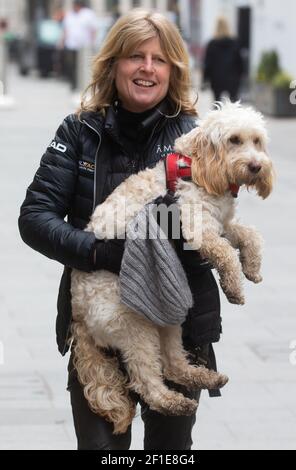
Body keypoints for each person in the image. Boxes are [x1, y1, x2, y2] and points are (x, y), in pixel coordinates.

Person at [18, 9, 222, 450]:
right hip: (99, 328)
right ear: (113, 64)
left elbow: (209, 239)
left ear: (174, 70)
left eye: (160, 59)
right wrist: (102, 253)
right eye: (135, 56)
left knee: (170, 452)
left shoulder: (198, 137)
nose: (147, 68)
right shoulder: (78, 131)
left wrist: (185, 236)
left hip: (177, 330)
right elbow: (35, 218)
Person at [203, 15, 244, 102]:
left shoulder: (212, 44)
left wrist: (205, 78)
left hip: (216, 79)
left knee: (217, 104)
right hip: (232, 79)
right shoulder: (235, 42)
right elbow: (240, 62)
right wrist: (240, 75)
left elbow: (207, 63)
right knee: (233, 106)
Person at [62, 0, 98, 89]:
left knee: (84, 66)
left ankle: (83, 84)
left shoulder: (88, 14)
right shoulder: (69, 15)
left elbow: (93, 30)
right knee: (71, 65)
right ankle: (73, 83)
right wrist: (62, 42)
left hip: (84, 46)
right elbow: (66, 30)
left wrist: (92, 43)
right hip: (71, 44)